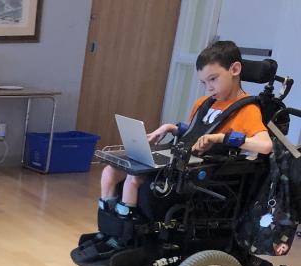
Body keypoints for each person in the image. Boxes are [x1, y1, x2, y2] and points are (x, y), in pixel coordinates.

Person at [100, 41, 273, 222]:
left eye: (213, 79)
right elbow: (193, 132)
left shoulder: (247, 109)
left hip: (199, 173)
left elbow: (265, 146)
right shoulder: (204, 103)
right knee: (109, 172)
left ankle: (126, 232)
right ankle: (108, 225)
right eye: (204, 82)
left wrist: (222, 138)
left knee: (133, 179)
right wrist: (169, 128)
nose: (208, 88)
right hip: (180, 160)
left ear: (235, 69)